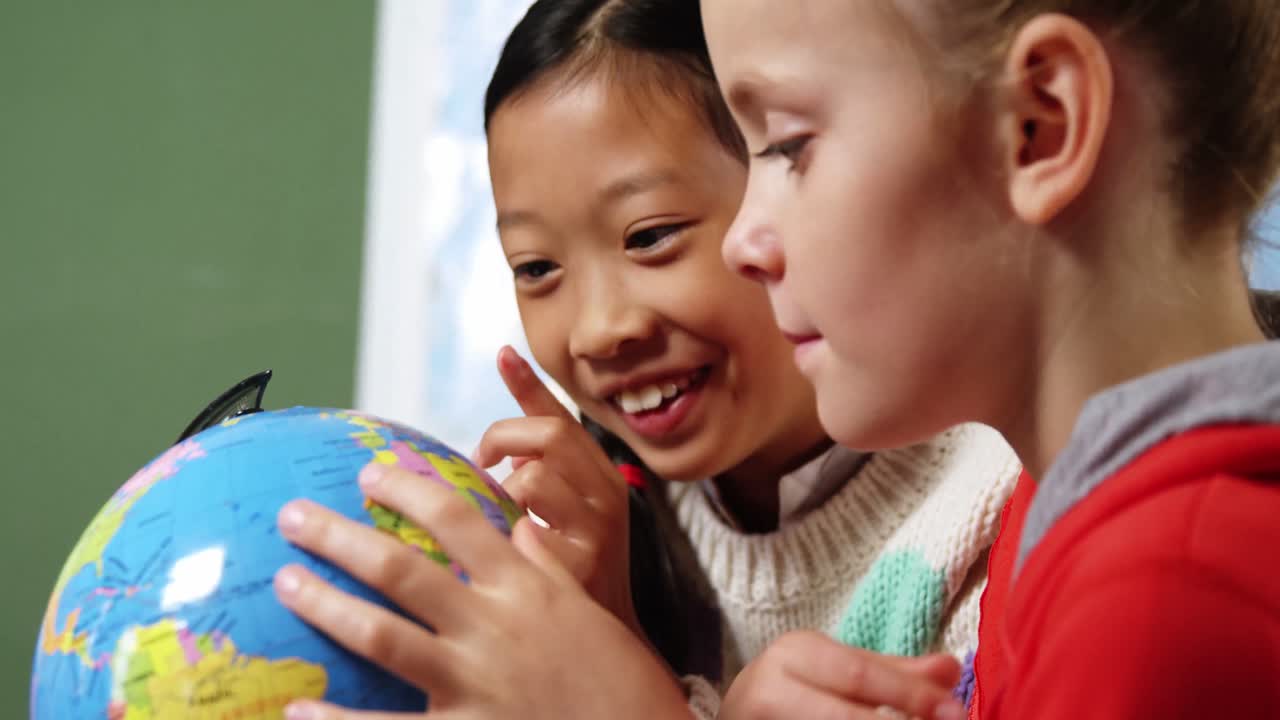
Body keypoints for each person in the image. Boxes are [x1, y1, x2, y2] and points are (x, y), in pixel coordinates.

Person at [269, 1, 1019, 718]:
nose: (599, 331)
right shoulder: (575, 542)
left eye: (650, 235)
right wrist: (605, 623)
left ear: (783, 187)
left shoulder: (999, 493)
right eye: (535, 268)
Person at [699, 1, 1280, 718]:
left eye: (788, 146)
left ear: (1040, 127)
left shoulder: (1161, 609)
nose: (740, 244)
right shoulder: (1062, 503)